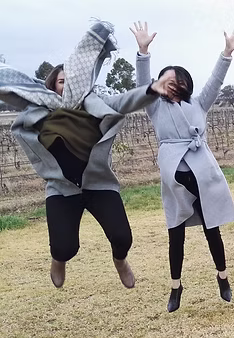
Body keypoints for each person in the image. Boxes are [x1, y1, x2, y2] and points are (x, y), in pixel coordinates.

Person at [0, 21, 174, 289]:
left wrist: (151, 89)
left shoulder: (95, 104)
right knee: (65, 246)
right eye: (62, 81)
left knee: (123, 238)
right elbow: (12, 92)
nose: (67, 85)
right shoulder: (38, 111)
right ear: (52, 86)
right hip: (61, 188)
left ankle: (120, 261)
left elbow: (126, 101)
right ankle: (59, 259)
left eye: (71, 80)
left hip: (98, 183)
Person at [131, 22, 234, 312]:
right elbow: (142, 85)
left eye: (176, 80)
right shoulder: (155, 107)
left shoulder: (199, 103)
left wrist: (226, 53)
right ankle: (175, 287)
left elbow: (215, 81)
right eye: (165, 81)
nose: (171, 85)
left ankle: (223, 278)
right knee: (176, 236)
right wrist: (143, 52)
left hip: (202, 176)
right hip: (175, 180)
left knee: (212, 230)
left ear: (185, 82)